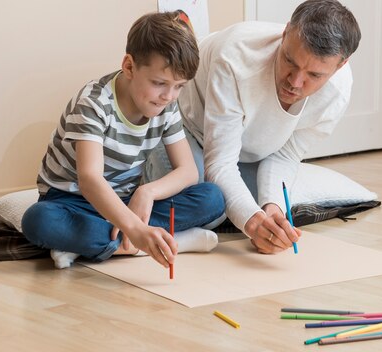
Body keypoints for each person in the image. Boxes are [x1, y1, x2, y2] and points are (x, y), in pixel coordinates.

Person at [144, 0, 361, 254]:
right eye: (289, 60)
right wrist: (253, 223)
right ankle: (142, 179)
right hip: (186, 130)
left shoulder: (338, 92)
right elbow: (221, 163)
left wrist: (272, 210)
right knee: (212, 207)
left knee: (264, 202)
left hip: (248, 151)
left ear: (340, 65)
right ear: (285, 32)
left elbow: (285, 155)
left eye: (314, 75)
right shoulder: (235, 57)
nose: (295, 82)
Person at [21, 11, 225, 269]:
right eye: (159, 83)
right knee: (38, 221)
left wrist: (147, 192)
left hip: (124, 201)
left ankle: (102, 244)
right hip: (72, 201)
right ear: (129, 66)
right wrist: (136, 227)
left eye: (179, 86)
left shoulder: (166, 106)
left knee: (213, 197)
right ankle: (162, 241)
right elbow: (90, 180)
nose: (169, 96)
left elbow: (188, 171)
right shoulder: (93, 103)